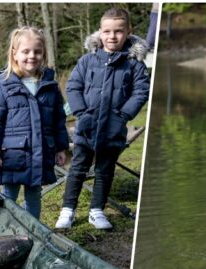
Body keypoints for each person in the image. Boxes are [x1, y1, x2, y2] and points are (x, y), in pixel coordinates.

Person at [56, 7, 151, 231]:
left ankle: (96, 210)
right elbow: (73, 86)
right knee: (78, 168)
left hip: (113, 129)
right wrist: (81, 113)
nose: (112, 36)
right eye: (107, 31)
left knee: (105, 170)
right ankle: (67, 210)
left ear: (128, 31)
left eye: (118, 31)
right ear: (99, 32)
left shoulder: (135, 64)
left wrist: (123, 115)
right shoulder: (87, 60)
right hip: (86, 128)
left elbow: (141, 92)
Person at [0, 26, 70, 220]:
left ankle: (33, 233)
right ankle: (5, 230)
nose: (32, 56)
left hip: (41, 153)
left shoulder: (50, 87)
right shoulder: (3, 86)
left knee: (34, 197)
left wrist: (61, 148)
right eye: (26, 51)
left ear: (44, 54)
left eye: (37, 52)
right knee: (9, 197)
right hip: (13, 155)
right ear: (14, 54)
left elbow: (58, 121)